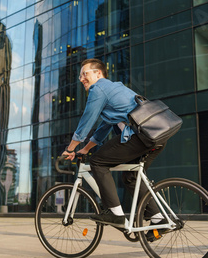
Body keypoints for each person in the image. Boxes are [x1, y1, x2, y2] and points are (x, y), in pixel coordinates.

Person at [62, 58, 167, 238]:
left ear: (98, 73)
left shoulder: (99, 89)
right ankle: (159, 219)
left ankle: (116, 214)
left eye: (84, 74)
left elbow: (87, 121)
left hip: (140, 137)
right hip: (157, 136)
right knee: (131, 177)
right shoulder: (115, 89)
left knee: (98, 162)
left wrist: (71, 148)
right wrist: (85, 149)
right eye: (80, 76)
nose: (81, 78)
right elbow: (103, 128)